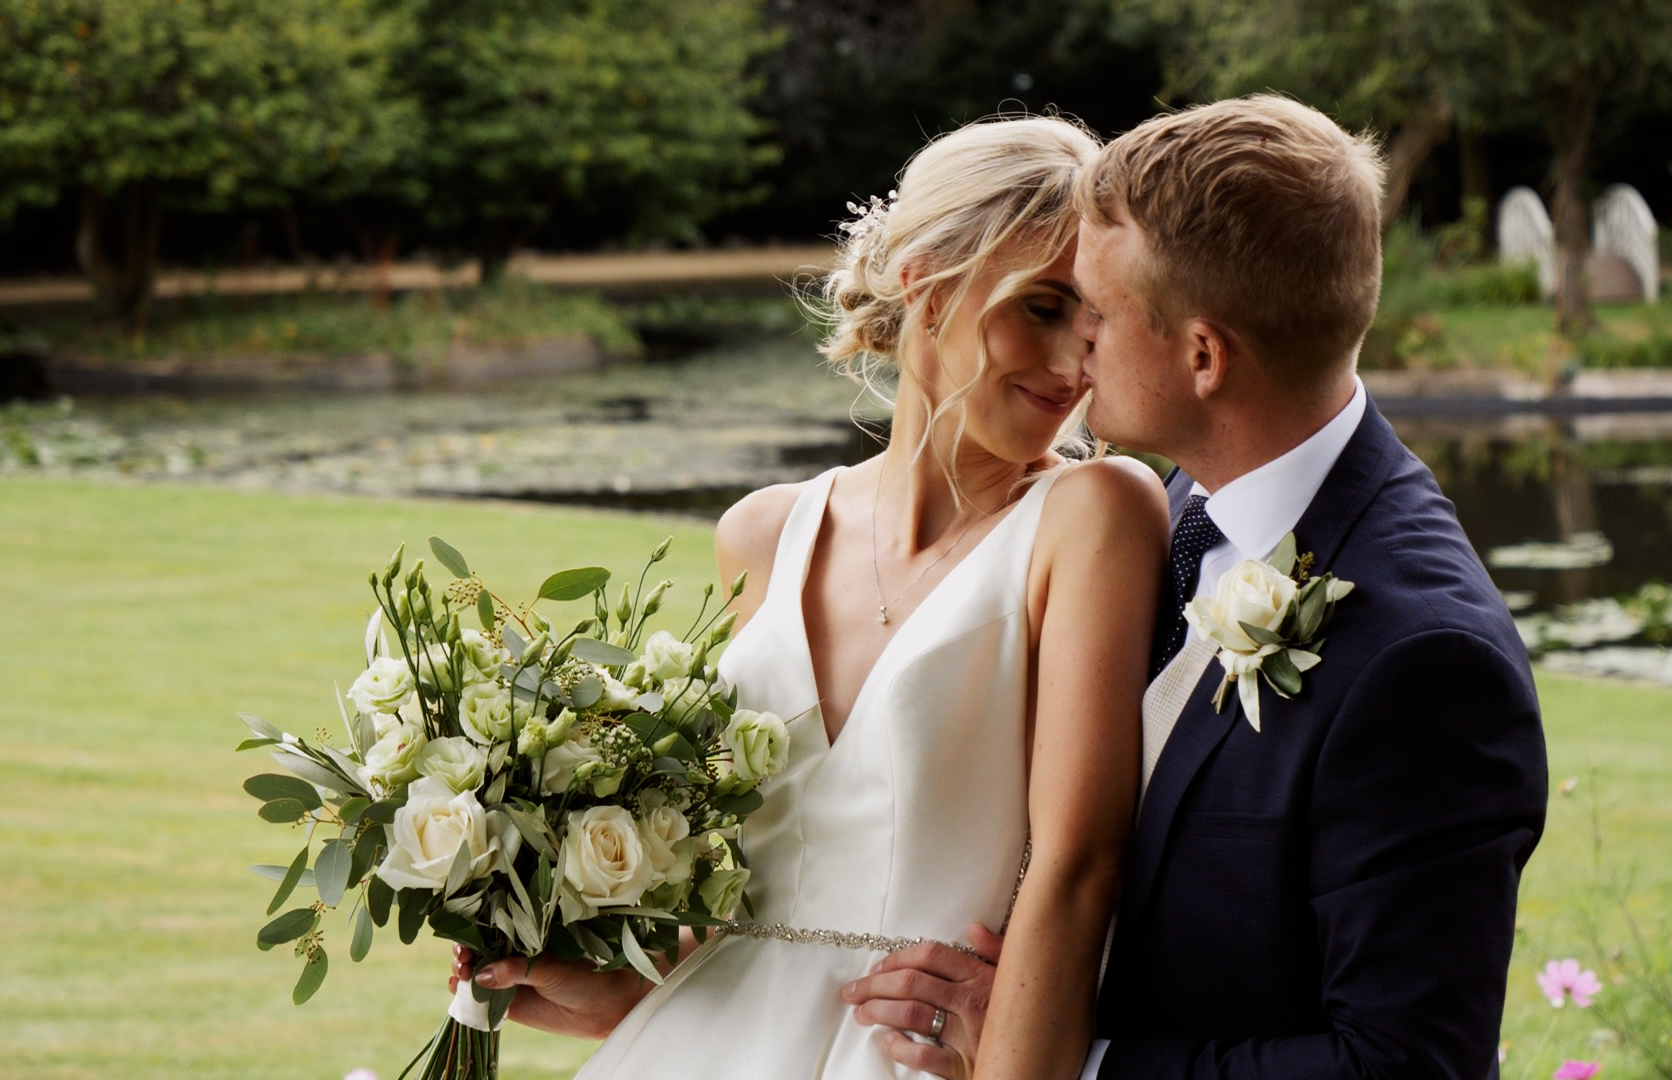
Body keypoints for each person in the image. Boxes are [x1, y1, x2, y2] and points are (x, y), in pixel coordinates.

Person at [845, 96, 1551, 1080]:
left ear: (1204, 356)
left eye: (1098, 308)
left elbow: (1406, 1063)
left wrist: (1072, 1063)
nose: (1077, 342)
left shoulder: (1423, 661)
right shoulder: (1162, 516)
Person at [452, 115, 1170, 1079]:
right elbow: (756, 889)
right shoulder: (764, 531)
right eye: (1040, 308)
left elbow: (1080, 873)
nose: (1071, 365)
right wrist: (600, 981)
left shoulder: (1095, 513)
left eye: (1094, 324)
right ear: (925, 279)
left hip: (917, 1059)